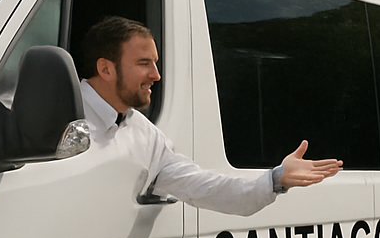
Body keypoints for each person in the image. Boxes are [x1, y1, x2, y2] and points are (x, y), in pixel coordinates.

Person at [79, 16, 342, 212]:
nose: (156, 75)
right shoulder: (55, 115)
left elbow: (205, 188)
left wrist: (276, 179)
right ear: (106, 69)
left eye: (155, 63)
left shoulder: (144, 134)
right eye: (143, 63)